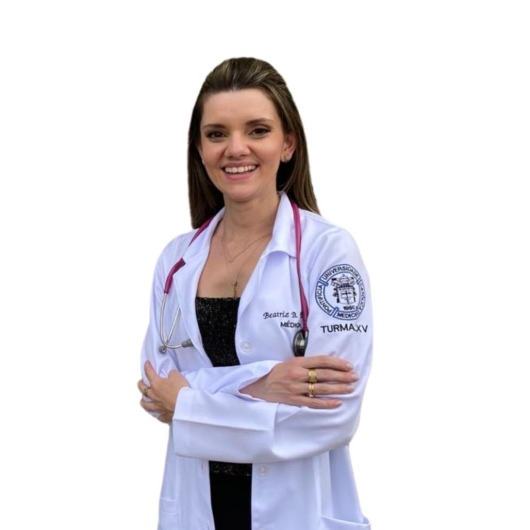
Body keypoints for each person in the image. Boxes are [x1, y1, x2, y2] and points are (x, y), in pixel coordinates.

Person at [138, 57, 373, 530]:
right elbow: (156, 390)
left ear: (288, 144)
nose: (235, 148)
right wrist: (262, 384)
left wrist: (192, 402)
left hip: (295, 511)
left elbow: (333, 416)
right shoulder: (176, 260)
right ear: (200, 149)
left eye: (258, 130)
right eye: (216, 133)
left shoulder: (328, 253)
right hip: (198, 508)